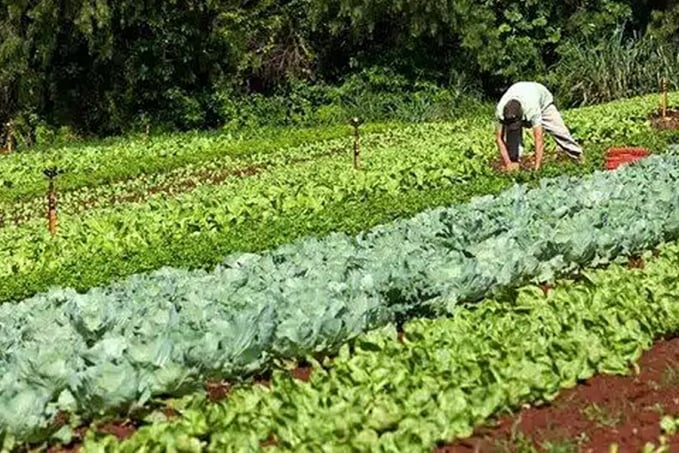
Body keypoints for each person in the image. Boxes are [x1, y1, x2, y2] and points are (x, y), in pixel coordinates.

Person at [495, 81, 583, 171]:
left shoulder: (532, 108)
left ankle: (578, 157)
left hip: (543, 103)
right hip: (520, 95)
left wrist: (537, 169)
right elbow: (499, 138)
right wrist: (508, 163)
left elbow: (538, 138)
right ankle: (514, 166)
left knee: (560, 132)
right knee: (512, 138)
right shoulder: (501, 111)